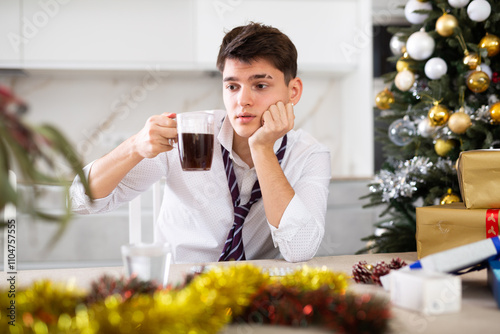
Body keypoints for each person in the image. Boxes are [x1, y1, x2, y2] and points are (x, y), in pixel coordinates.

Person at [71, 22, 331, 264]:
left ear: (293, 91)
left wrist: (262, 148)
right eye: (232, 87)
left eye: (260, 85)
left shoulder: (309, 155)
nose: (243, 100)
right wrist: (134, 147)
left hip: (254, 294)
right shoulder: (188, 134)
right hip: (180, 289)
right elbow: (80, 201)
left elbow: (299, 249)